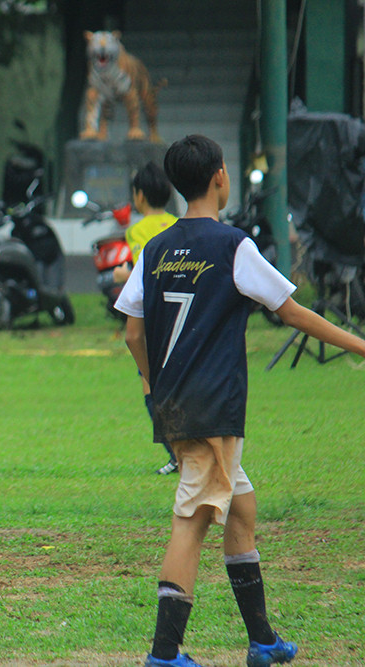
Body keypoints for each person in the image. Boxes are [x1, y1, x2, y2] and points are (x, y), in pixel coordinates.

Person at [115, 134, 365, 667]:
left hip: (176, 404)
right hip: (214, 406)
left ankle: (262, 641)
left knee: (240, 509)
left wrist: (153, 379)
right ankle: (164, 653)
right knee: (193, 518)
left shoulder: (155, 248)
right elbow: (292, 311)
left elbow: (133, 334)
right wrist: (360, 343)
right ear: (219, 178)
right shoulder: (232, 245)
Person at [113, 161, 180, 475]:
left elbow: (146, 270)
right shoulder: (177, 223)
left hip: (153, 316)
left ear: (139, 196)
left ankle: (176, 452)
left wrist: (122, 273)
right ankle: (183, 450)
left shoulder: (136, 231)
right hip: (181, 310)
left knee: (150, 383)